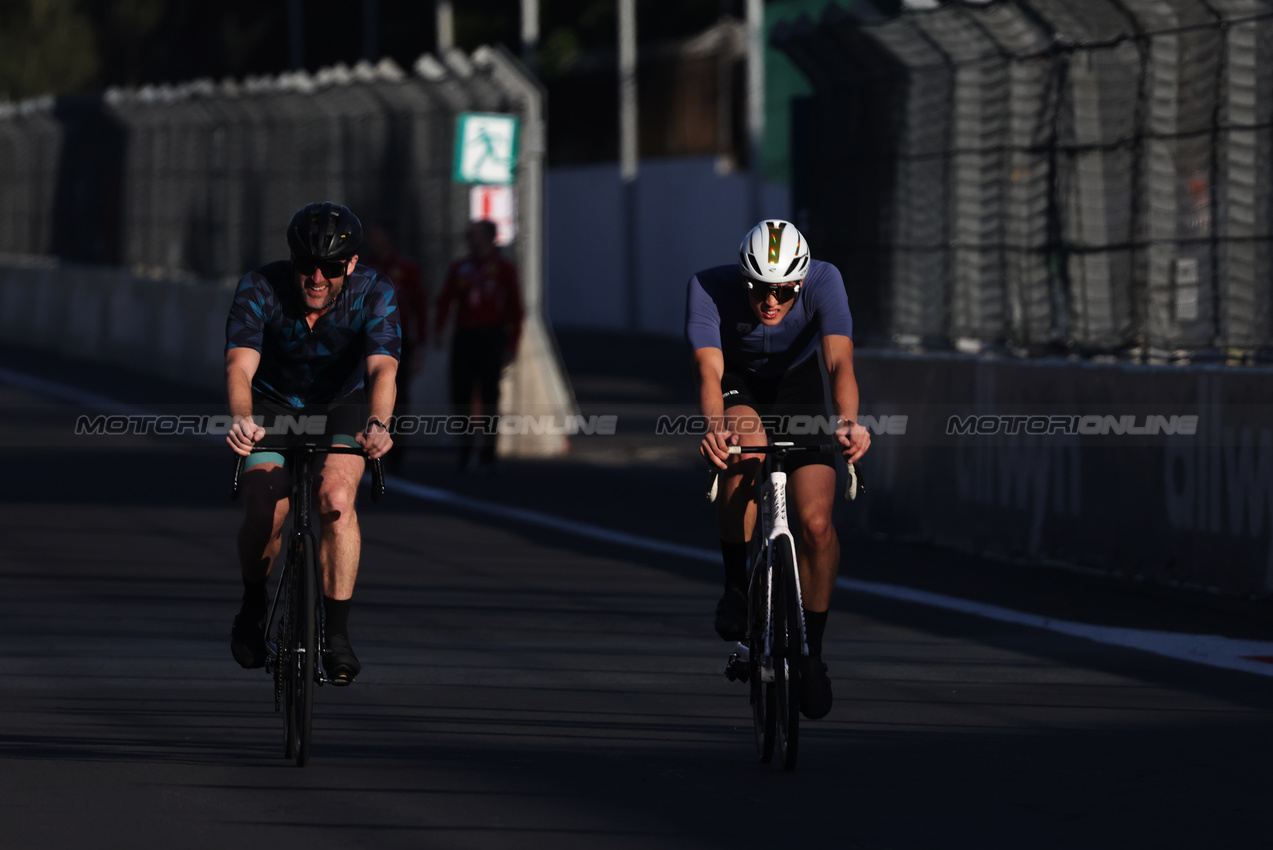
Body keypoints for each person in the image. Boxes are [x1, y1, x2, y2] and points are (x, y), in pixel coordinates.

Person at [686, 219, 870, 720]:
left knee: (815, 523)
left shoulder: (825, 280)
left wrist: (849, 422)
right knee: (744, 449)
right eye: (760, 289)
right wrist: (713, 428)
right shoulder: (708, 287)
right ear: (742, 278)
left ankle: (812, 654)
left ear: (802, 281)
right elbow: (709, 369)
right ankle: (736, 587)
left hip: (797, 383)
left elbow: (839, 365)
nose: (771, 302)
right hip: (738, 382)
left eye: (785, 291)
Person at [224, 201, 400, 685]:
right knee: (267, 507)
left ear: (352, 265)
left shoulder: (375, 290)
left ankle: (336, 635)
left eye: (331, 268)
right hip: (272, 404)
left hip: (340, 404)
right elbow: (239, 365)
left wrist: (380, 424)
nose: (317, 278)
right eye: (307, 265)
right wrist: (241, 420)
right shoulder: (260, 287)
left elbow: (383, 367)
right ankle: (253, 604)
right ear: (292, 260)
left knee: (337, 499)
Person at [435, 219, 523, 472]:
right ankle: (465, 447)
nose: (470, 241)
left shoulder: (504, 268)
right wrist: (440, 329)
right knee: (460, 392)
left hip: (491, 335)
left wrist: (513, 342)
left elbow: (516, 309)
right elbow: (446, 299)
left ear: (488, 238)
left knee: (489, 395)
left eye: (475, 236)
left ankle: (488, 451)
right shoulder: (461, 267)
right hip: (466, 335)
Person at [365, 221, 427, 473]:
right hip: (369, 340)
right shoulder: (365, 269)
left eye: (378, 237)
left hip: (400, 341)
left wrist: (421, 346)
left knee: (398, 397)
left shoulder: (406, 269)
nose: (375, 242)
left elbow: (420, 307)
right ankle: (368, 447)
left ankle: (396, 451)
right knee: (368, 392)